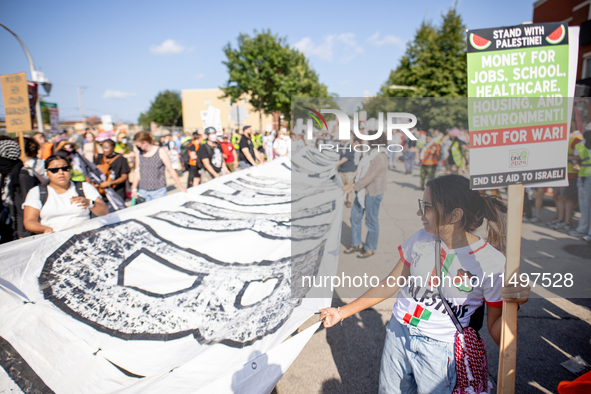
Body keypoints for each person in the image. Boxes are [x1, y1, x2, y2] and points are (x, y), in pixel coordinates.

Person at [320, 174, 530, 393]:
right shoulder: (420, 238)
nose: (419, 212)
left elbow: (499, 336)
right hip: (397, 334)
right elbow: (390, 283)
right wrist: (341, 312)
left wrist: (514, 304)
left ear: (455, 214)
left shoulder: (491, 262)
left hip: (441, 351)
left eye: (426, 206)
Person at [23, 155, 108, 234]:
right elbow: (29, 221)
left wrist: (90, 203)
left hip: (84, 238)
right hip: (54, 240)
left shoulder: (84, 187)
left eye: (65, 168)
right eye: (54, 170)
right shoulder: (36, 192)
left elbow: (104, 212)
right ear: (46, 173)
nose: (61, 172)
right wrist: (44, 229)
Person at [342, 134, 388, 258]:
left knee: (371, 221)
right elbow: (360, 173)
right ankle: (356, 243)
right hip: (362, 191)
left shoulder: (380, 156)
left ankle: (370, 247)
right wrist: (349, 184)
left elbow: (369, 177)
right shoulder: (370, 154)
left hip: (372, 192)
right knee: (354, 217)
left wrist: (352, 188)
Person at [131, 132, 186, 202]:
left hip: (158, 191)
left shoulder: (160, 151)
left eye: (138, 145)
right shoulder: (139, 153)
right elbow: (137, 171)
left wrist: (180, 186)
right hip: (143, 191)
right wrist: (134, 188)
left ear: (144, 142)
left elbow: (170, 169)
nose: (138, 147)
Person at [569, 130, 591, 241]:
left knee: (585, 205)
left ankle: (584, 229)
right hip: (585, 177)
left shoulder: (580, 145)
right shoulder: (581, 145)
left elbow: (576, 160)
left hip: (585, 177)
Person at [336, 137, 359, 208]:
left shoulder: (349, 146)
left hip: (349, 170)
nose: (341, 140)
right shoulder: (339, 146)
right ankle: (344, 199)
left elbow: (345, 158)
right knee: (342, 186)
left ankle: (349, 200)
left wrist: (336, 165)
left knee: (349, 185)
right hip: (341, 169)